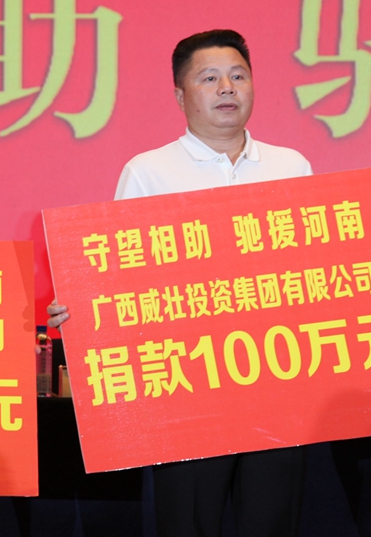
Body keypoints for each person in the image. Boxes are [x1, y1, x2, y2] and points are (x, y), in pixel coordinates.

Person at [49, 29, 311, 537]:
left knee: (274, 520)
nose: (227, 88)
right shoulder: (150, 172)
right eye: (209, 78)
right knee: (188, 520)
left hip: (278, 380)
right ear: (179, 95)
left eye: (238, 76)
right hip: (187, 385)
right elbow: (116, 273)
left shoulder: (291, 166)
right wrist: (80, 305)